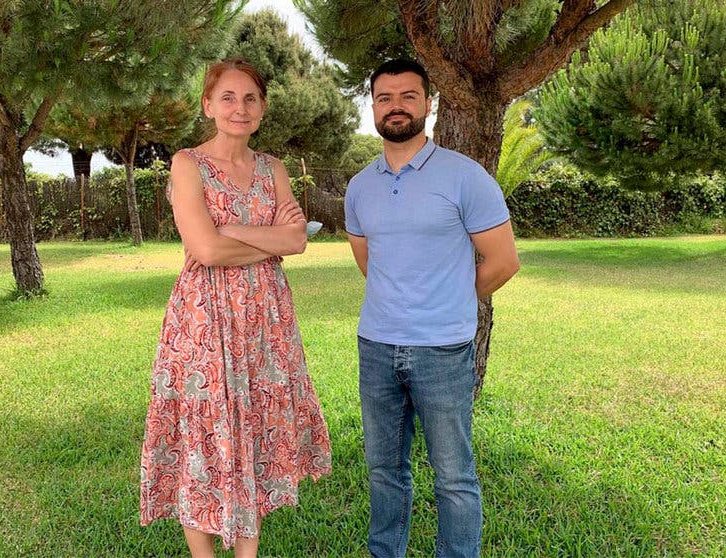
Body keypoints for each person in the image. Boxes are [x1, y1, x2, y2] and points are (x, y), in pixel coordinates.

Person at [140, 58, 332, 558]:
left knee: (254, 431)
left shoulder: (274, 169)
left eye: (250, 98)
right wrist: (275, 241)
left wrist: (232, 232)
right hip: (204, 319)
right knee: (204, 435)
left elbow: (297, 242)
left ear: (263, 108)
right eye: (227, 97)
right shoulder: (188, 164)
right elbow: (205, 251)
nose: (238, 108)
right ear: (208, 105)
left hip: (266, 320)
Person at [344, 59, 520, 558]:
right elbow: (368, 262)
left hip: (442, 350)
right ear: (373, 107)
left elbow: (504, 262)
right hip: (376, 345)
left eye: (407, 96)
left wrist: (449, 302)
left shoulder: (465, 176)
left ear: (428, 103)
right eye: (384, 98)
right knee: (383, 471)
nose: (395, 106)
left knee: (454, 477)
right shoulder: (360, 187)